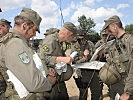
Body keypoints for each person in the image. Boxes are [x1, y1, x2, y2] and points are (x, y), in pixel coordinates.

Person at [0, 7, 56, 100]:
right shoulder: (16, 44)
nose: (34, 34)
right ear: (24, 26)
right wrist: (49, 82)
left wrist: (46, 71)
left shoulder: (18, 42)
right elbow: (34, 83)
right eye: (34, 30)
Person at [39, 22, 77, 100]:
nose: (72, 38)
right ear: (68, 33)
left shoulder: (59, 43)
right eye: (72, 36)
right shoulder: (50, 39)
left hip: (58, 79)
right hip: (50, 78)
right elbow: (42, 57)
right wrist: (61, 59)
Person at [101, 15, 133, 100]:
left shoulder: (130, 41)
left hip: (128, 88)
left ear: (115, 27)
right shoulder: (114, 43)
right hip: (117, 86)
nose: (108, 32)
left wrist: (128, 92)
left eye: (108, 29)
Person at [71, 30, 102, 100]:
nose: (81, 40)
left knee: (96, 92)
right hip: (82, 73)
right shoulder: (74, 47)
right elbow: (74, 62)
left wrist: (98, 54)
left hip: (93, 71)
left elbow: (94, 54)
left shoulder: (90, 44)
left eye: (83, 37)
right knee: (83, 94)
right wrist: (84, 58)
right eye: (79, 37)